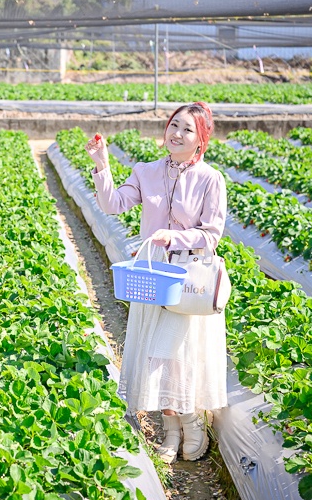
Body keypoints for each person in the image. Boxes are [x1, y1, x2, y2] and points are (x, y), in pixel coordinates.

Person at [85, 103, 228, 463]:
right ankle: (171, 430)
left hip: (188, 277)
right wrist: (102, 164)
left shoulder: (211, 179)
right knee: (157, 355)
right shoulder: (146, 172)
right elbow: (113, 204)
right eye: (173, 125)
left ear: (200, 141)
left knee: (179, 353)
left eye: (187, 130)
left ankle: (192, 422)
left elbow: (211, 235)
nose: (176, 134)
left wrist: (174, 237)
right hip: (152, 275)